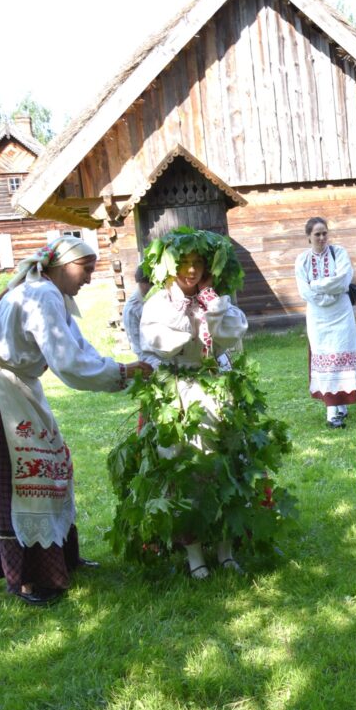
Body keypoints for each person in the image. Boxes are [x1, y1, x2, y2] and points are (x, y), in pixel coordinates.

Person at [0, 236, 150, 605]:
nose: (90, 277)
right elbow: (69, 365)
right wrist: (122, 373)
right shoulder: (41, 295)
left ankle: (59, 559)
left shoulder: (54, 296)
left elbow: (79, 349)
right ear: (61, 266)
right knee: (24, 474)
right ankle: (28, 577)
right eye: (86, 269)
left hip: (9, 382)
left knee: (51, 462)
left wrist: (120, 369)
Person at [139, 231, 250, 578]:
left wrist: (212, 312)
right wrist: (190, 320)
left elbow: (232, 334)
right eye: (184, 263)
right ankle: (194, 554)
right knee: (185, 466)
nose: (190, 270)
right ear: (170, 267)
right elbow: (159, 342)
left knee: (225, 461)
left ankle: (226, 548)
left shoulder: (217, 298)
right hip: (179, 389)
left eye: (197, 263)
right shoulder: (160, 303)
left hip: (216, 385)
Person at [295, 217, 356, 428]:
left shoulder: (339, 253)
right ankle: (332, 411)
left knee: (342, 355)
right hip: (318, 317)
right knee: (326, 358)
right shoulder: (302, 260)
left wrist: (317, 285)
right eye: (317, 234)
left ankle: (340, 405)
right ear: (308, 237)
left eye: (324, 233)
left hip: (341, 313)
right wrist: (328, 293)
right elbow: (305, 291)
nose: (322, 238)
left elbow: (343, 280)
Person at [122, 265, 152, 359]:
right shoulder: (132, 309)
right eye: (147, 284)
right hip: (152, 360)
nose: (151, 288)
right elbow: (138, 348)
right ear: (139, 282)